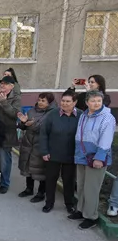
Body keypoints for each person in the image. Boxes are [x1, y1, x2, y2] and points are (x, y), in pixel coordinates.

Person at [70, 90, 116, 230]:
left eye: (98, 101)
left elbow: (106, 139)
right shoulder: (85, 115)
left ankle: (91, 217)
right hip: (82, 156)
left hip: (96, 158)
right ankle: (81, 210)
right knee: (82, 185)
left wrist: (99, 158)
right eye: (93, 101)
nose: (96, 103)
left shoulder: (107, 118)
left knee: (92, 189)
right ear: (87, 102)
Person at [40, 90, 82, 213]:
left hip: (71, 155)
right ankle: (49, 203)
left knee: (69, 180)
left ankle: (69, 204)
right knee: (51, 179)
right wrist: (44, 151)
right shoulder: (52, 114)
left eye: (68, 101)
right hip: (53, 154)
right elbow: (43, 134)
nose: (64, 103)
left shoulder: (81, 115)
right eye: (63, 101)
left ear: (75, 102)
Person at [17, 93, 55, 203]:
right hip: (28, 142)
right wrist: (23, 123)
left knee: (41, 170)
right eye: (39, 100)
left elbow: (43, 129)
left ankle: (41, 192)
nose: (40, 102)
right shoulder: (31, 111)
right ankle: (29, 189)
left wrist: (30, 125)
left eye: (43, 101)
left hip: (41, 144)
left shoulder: (52, 114)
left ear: (49, 102)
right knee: (28, 167)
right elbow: (23, 126)